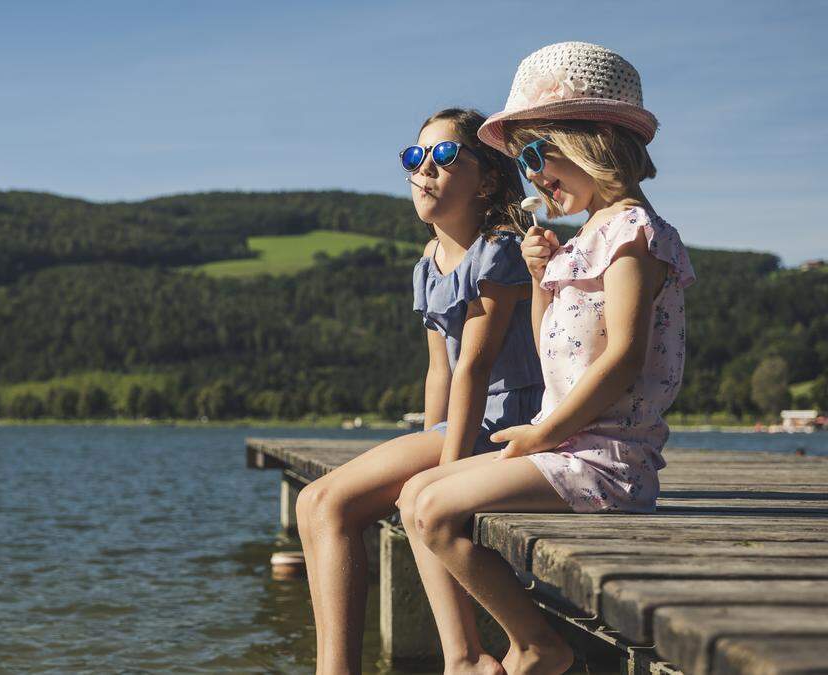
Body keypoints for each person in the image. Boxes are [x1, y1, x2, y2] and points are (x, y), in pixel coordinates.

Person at [397, 42, 695, 675]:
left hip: (608, 460)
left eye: (537, 153)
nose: (531, 173)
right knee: (415, 493)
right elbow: (548, 347)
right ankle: (475, 652)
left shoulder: (634, 233)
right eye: (523, 158)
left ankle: (535, 644)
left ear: (590, 141)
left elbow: (623, 357)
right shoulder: (587, 237)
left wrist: (541, 434)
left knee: (438, 505)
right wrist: (541, 278)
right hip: (568, 450)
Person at [296, 107, 541, 674]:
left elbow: (476, 371)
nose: (425, 168)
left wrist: (444, 472)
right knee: (325, 505)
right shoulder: (428, 264)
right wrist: (429, 450)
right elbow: (442, 372)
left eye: (445, 155)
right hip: (459, 418)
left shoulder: (500, 249)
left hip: (507, 419)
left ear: (487, 179)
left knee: (323, 501)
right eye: (415, 156)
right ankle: (464, 657)